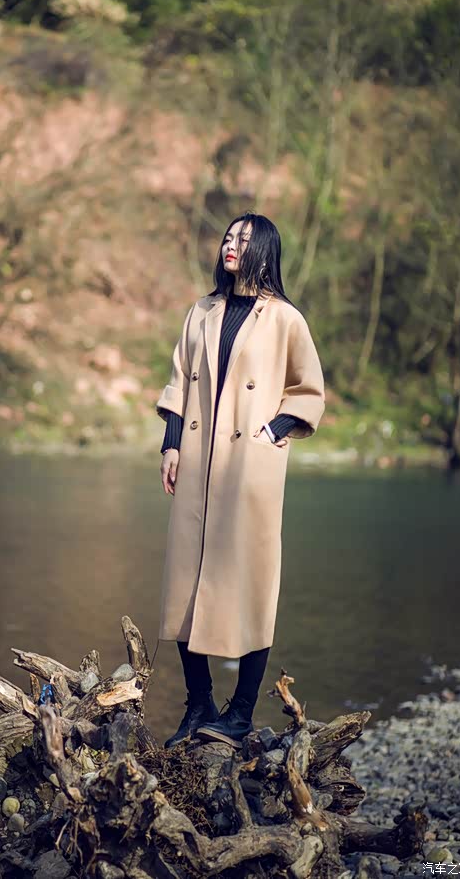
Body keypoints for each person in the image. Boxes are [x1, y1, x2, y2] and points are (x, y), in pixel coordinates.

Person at [156, 212, 326, 749]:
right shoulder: (202, 311)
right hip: (197, 462)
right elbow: (180, 381)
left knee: (252, 581)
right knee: (185, 580)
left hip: (250, 468)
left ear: (264, 251)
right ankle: (199, 703)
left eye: (245, 240)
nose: (232, 245)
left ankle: (242, 712)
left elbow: (308, 389)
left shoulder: (285, 319)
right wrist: (171, 444)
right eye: (229, 237)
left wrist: (273, 430)